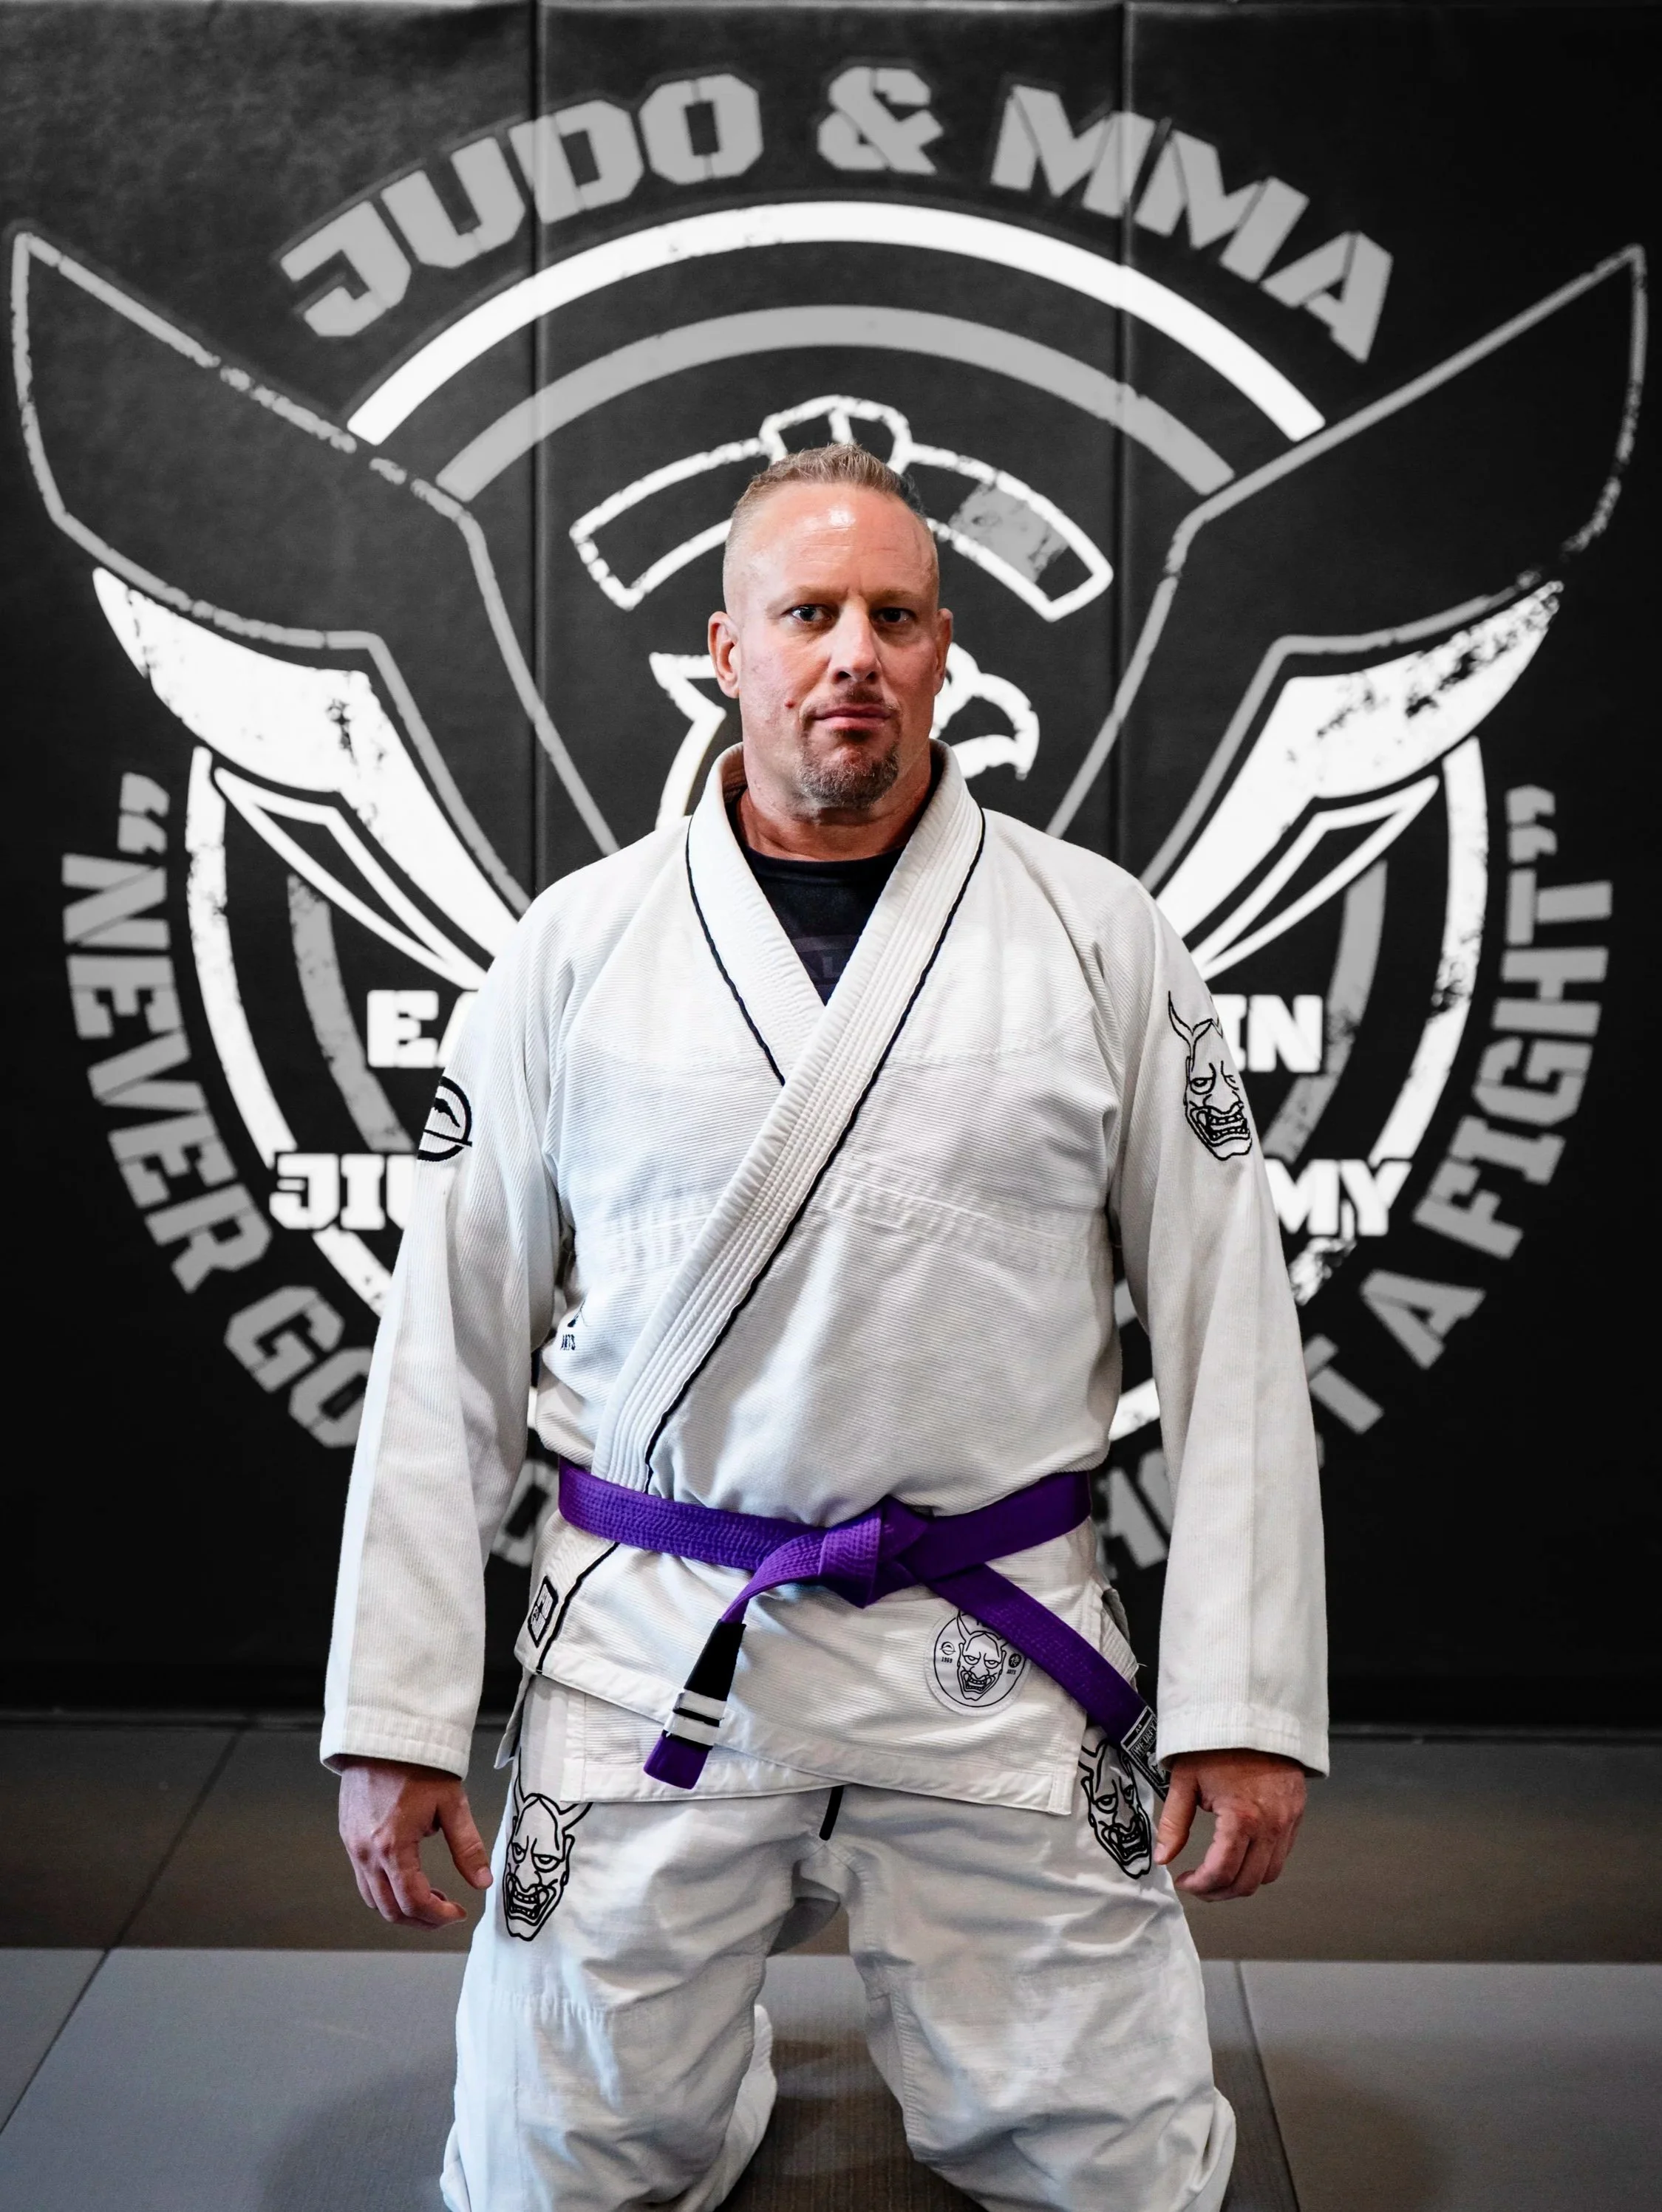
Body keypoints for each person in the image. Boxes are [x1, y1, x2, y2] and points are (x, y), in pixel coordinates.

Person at [324, 443, 1326, 2212]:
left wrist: (1242, 1704)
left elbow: (1231, 1330)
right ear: (728, 649)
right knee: (550, 2180)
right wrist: (397, 1712)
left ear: (945, 653)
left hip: (996, 1648)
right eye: (808, 614)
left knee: (1126, 2180)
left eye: (892, 615)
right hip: (654, 1643)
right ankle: (678, 2102)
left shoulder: (1100, 940)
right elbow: (445, 1356)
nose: (850, 651)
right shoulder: (573, 953)